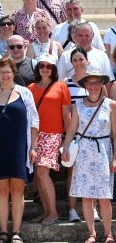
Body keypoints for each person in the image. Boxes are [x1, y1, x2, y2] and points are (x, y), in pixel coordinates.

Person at [0, 57, 39, 243]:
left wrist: (33, 147)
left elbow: (35, 122)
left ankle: (16, 232)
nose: (5, 75)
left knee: (17, 190)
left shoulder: (25, 93)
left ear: (14, 73)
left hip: (19, 148)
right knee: (1, 190)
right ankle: (3, 231)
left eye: (8, 71)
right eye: (2, 72)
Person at [61, 71, 116, 243]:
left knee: (104, 196)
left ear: (102, 84)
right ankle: (91, 233)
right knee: (86, 196)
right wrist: (65, 148)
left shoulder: (111, 105)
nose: (93, 86)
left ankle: (108, 234)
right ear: (85, 85)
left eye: (96, 82)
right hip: (84, 152)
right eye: (89, 83)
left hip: (103, 152)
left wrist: (115, 158)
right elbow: (71, 130)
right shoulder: (78, 105)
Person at [28, 54, 71, 225]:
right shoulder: (30, 88)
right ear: (37, 68)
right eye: (42, 65)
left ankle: (53, 213)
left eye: (49, 66)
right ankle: (46, 212)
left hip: (53, 135)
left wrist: (67, 140)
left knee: (42, 173)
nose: (45, 69)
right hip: (34, 135)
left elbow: (67, 115)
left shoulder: (61, 86)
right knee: (38, 177)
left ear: (53, 69)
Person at [63, 47, 90, 223]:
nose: (78, 62)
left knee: (91, 171)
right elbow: (66, 112)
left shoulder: (95, 81)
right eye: (75, 60)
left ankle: (92, 209)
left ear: (87, 61)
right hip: (74, 134)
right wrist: (70, 136)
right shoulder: (65, 82)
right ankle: (72, 209)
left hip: (93, 135)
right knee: (72, 172)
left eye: (81, 59)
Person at [57, 22, 113, 88]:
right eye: (80, 35)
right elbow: (60, 81)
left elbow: (108, 82)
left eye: (87, 35)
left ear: (93, 36)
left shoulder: (102, 56)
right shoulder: (65, 56)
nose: (84, 38)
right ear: (74, 36)